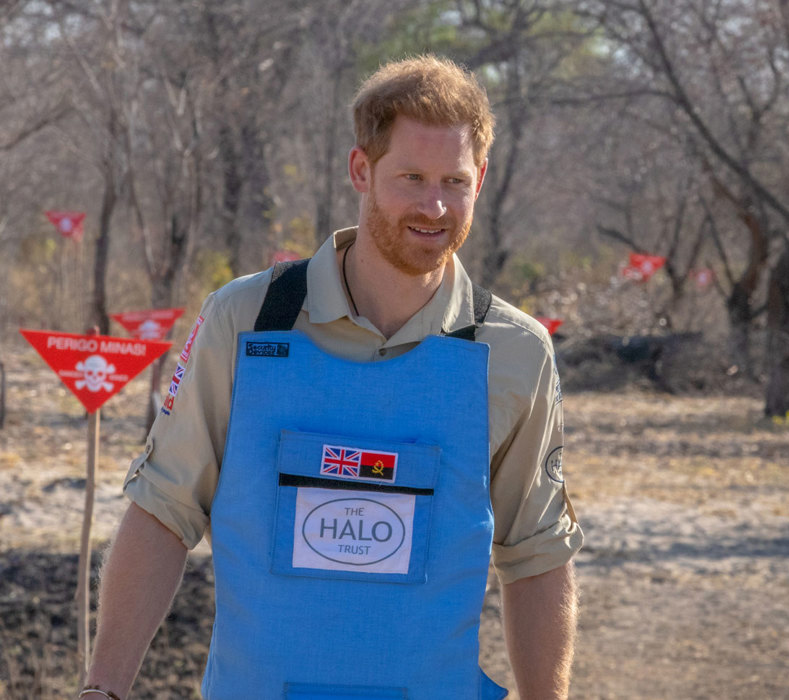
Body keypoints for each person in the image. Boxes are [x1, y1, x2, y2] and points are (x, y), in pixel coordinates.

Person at [80, 55, 581, 700]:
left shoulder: (515, 350)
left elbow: (537, 554)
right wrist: (104, 689)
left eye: (454, 181)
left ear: (480, 180)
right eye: (410, 177)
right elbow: (163, 511)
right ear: (361, 170)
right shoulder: (247, 319)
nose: (434, 205)